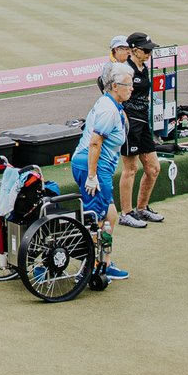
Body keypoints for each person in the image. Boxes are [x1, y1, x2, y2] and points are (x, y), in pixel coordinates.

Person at [69, 62, 134, 283]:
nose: (131, 88)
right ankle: (88, 267)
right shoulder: (108, 109)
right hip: (93, 166)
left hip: (96, 166)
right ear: (115, 86)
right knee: (95, 221)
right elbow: (95, 144)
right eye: (128, 84)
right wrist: (92, 176)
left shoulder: (114, 105)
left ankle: (104, 262)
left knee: (111, 215)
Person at [116, 32, 165, 228]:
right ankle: (126, 213)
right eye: (146, 50)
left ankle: (142, 209)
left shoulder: (143, 68)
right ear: (134, 49)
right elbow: (110, 91)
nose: (149, 53)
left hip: (143, 122)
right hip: (130, 123)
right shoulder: (124, 69)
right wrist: (122, 115)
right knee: (131, 169)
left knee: (153, 168)